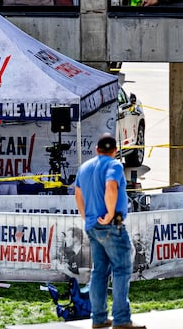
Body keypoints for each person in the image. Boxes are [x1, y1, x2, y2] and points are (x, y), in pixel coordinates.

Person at [74, 133, 146, 329]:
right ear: (115, 151)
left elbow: (78, 194)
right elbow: (111, 188)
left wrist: (85, 216)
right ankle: (122, 319)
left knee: (99, 271)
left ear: (97, 149)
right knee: (121, 270)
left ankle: (98, 318)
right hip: (113, 223)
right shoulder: (114, 165)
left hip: (92, 225)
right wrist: (111, 213)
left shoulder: (84, 167)